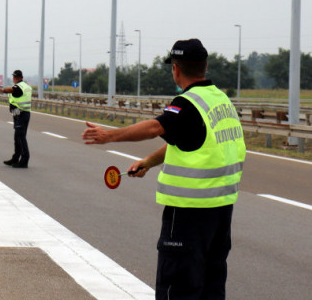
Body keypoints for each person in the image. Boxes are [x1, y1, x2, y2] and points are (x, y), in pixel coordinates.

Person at [82, 38, 245, 300]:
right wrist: (148, 162)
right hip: (220, 213)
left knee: (178, 289)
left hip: (188, 214)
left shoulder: (187, 103)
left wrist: (110, 136)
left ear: (176, 69)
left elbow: (157, 127)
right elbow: (191, 143)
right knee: (210, 288)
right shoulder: (221, 101)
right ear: (204, 67)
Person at [0, 69, 32, 168]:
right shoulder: (26, 86)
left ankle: (24, 160)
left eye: (15, 77)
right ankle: (16, 158)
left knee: (21, 138)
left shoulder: (19, 86)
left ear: (18, 78)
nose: (14, 79)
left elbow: (12, 90)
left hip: (21, 114)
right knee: (18, 137)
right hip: (22, 114)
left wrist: (2, 90)